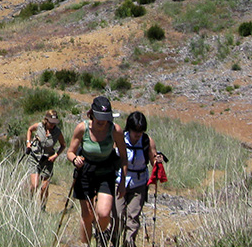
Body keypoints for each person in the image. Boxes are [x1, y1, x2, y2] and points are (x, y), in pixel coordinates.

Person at [66, 96, 128, 247]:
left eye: (105, 118)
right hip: (85, 172)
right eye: (99, 118)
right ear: (91, 114)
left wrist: (123, 183)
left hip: (106, 172)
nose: (102, 122)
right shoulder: (82, 128)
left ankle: (100, 233)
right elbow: (70, 152)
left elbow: (124, 157)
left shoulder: (115, 130)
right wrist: (75, 160)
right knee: (87, 215)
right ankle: (85, 244)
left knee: (104, 213)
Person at [112, 111, 163, 247]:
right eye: (135, 130)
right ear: (129, 128)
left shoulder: (147, 141)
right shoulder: (119, 138)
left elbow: (153, 160)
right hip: (119, 181)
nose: (138, 134)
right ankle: (114, 241)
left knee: (132, 218)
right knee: (117, 216)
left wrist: (157, 161)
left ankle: (129, 243)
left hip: (139, 184)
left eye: (140, 131)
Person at [25, 109, 66, 210]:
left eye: (54, 123)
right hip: (35, 157)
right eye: (51, 123)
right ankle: (29, 203)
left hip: (48, 161)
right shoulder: (39, 126)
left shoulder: (57, 132)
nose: (52, 125)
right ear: (46, 120)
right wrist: (28, 142)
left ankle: (42, 208)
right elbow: (30, 129)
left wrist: (56, 155)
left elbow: (63, 145)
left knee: (44, 187)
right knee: (35, 185)